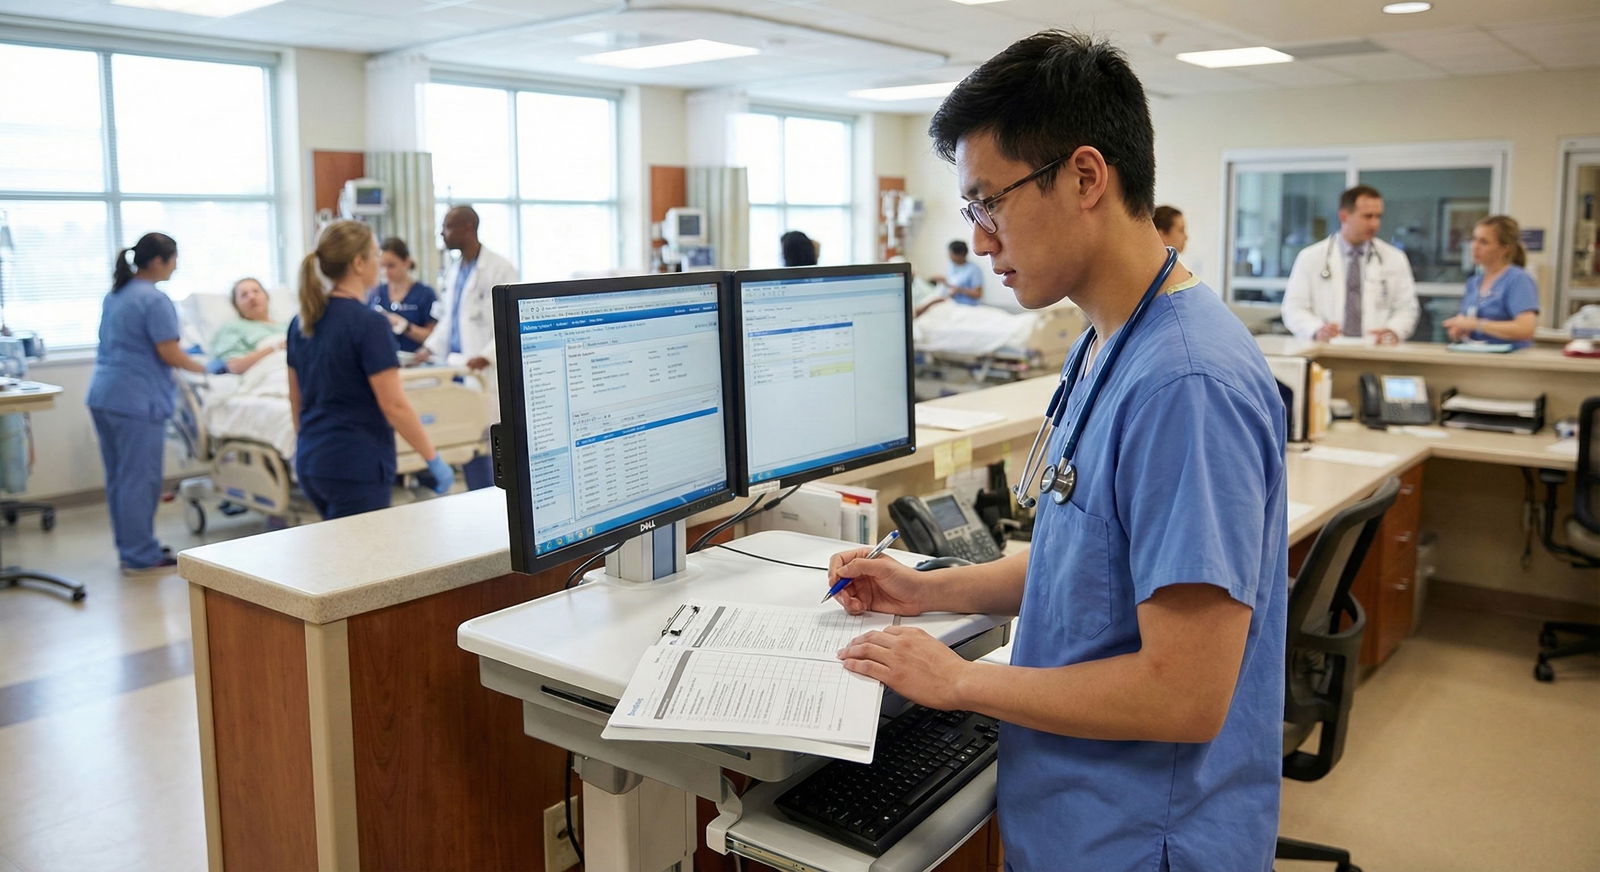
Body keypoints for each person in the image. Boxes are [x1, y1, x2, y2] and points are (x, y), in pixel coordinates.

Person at [828, 31, 1287, 871]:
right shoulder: (1111, 337)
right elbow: (1088, 565)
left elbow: (1184, 695)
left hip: (1145, 841)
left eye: (988, 202)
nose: (977, 240)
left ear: (1084, 177)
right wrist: (924, 589)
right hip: (1078, 816)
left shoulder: (1186, 385)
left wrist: (960, 681)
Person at [288, 221, 454, 520]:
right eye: (376, 255)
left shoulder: (302, 321)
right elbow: (394, 406)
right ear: (358, 263)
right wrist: (432, 458)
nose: (380, 264)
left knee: (338, 555)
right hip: (355, 465)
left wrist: (309, 446)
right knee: (360, 561)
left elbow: (295, 399)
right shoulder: (369, 324)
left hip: (312, 461)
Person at [86, 232, 206, 574]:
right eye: (174, 259)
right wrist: (207, 367)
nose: (176, 266)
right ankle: (141, 555)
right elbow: (168, 352)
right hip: (135, 401)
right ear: (159, 261)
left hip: (104, 395)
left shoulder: (117, 294)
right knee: (140, 480)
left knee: (120, 478)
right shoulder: (154, 300)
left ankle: (132, 548)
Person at [422, 205, 518, 490]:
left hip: (485, 373)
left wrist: (485, 357)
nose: (442, 233)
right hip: (458, 368)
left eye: (448, 227)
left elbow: (508, 322)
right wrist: (426, 351)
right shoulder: (456, 270)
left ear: (467, 228)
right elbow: (448, 321)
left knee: (487, 444)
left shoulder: (499, 268)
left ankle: (492, 499)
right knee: (466, 440)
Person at [1280, 185, 1419, 344]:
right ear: (1344, 216)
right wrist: (1316, 329)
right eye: (1367, 216)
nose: (1375, 224)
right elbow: (1293, 308)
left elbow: (1407, 308)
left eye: (1378, 216)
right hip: (1326, 349)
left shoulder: (1394, 258)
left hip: (1377, 350)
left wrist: (1394, 330)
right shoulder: (1310, 258)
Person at [1442, 215, 1539, 349]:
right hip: (1475, 356)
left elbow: (1525, 329)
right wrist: (1459, 329)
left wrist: (1477, 325)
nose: (1474, 246)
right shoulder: (1474, 282)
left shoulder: (1517, 279)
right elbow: (1467, 320)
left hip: (1509, 362)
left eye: (1484, 242)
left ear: (1505, 248)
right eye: (1474, 239)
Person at [366, 237, 437, 354]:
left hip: (417, 363)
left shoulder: (425, 294)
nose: (386, 272)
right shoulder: (376, 294)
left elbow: (434, 337)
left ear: (406, 262)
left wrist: (405, 326)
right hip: (383, 361)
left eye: (391, 266)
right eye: (382, 266)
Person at [210, 277, 286, 374]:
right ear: (236, 305)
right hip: (269, 372)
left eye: (256, 291)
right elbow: (234, 367)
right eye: (244, 295)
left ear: (267, 297)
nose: (251, 297)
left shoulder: (288, 325)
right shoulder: (233, 328)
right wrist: (274, 347)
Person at [929, 240, 984, 305]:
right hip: (951, 303)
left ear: (960, 255)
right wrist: (945, 282)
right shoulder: (952, 266)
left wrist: (959, 290)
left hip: (967, 306)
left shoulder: (974, 269)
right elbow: (952, 286)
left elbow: (978, 294)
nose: (949, 256)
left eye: (950, 254)